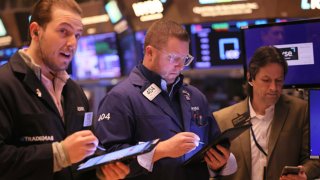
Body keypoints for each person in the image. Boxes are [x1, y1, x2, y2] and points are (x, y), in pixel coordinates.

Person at [0, 0, 128, 179]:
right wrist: (59, 155)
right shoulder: (5, 84)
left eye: (77, 35)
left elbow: (83, 154)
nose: (72, 43)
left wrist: (100, 170)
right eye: (63, 31)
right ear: (35, 31)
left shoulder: (74, 91)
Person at [94, 19, 237, 180]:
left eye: (185, 59)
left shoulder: (196, 96)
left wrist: (219, 163)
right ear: (150, 52)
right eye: (173, 57)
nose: (180, 66)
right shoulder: (120, 98)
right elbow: (106, 162)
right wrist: (159, 151)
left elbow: (214, 146)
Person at [213, 46, 320, 180]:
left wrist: (305, 173)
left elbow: (315, 160)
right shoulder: (223, 119)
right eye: (266, 80)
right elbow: (213, 170)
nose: (273, 88)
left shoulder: (301, 111)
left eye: (278, 81)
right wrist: (216, 167)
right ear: (250, 78)